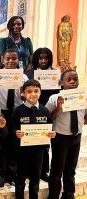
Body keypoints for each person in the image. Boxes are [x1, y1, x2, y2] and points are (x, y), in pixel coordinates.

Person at [0, 48, 29, 187]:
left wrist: (24, 96)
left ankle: (12, 173)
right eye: (7, 59)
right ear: (2, 60)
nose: (11, 61)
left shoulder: (23, 78)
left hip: (17, 112)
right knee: (1, 143)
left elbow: (28, 96)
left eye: (14, 58)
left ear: (18, 60)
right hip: (1, 112)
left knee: (14, 143)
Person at [45, 70, 87, 199]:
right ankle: (53, 195)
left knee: (71, 169)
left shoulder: (83, 97)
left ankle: (69, 194)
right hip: (61, 138)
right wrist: (58, 107)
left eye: (75, 79)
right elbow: (47, 118)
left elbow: (84, 117)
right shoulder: (54, 98)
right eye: (69, 79)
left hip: (76, 136)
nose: (73, 81)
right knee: (57, 170)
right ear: (61, 83)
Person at [12, 79, 56, 199]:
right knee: (20, 179)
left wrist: (51, 134)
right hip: (22, 152)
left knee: (35, 179)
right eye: (29, 91)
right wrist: (16, 134)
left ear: (40, 92)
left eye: (36, 91)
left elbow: (49, 129)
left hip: (39, 152)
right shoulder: (17, 111)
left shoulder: (45, 111)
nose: (33, 94)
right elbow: (12, 130)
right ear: (23, 93)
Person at [25, 47, 60, 182]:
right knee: (30, 140)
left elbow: (58, 92)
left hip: (48, 112)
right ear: (36, 59)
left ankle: (43, 171)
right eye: (40, 58)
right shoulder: (29, 73)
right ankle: (28, 170)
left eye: (46, 58)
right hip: (31, 110)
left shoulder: (56, 74)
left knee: (45, 142)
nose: (43, 60)